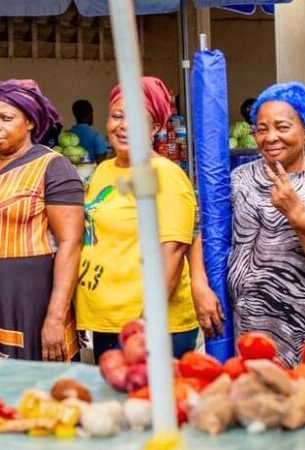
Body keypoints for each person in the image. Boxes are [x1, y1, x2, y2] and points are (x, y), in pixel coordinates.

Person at [192, 82, 305, 367]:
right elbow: (205, 233)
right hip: (250, 332)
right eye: (261, 128)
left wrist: (296, 213)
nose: (270, 137)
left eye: (282, 127)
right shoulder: (238, 180)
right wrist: (198, 284)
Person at [0, 79, 84, 361]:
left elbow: (71, 243)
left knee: (35, 390)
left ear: (30, 121)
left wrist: (55, 318)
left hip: (31, 302)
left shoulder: (53, 167)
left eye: (6, 118)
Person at [75, 77, 199, 361]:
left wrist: (145, 323)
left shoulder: (163, 173)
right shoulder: (104, 171)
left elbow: (173, 252)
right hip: (108, 322)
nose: (124, 126)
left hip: (152, 327)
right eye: (117, 116)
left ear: (155, 127)